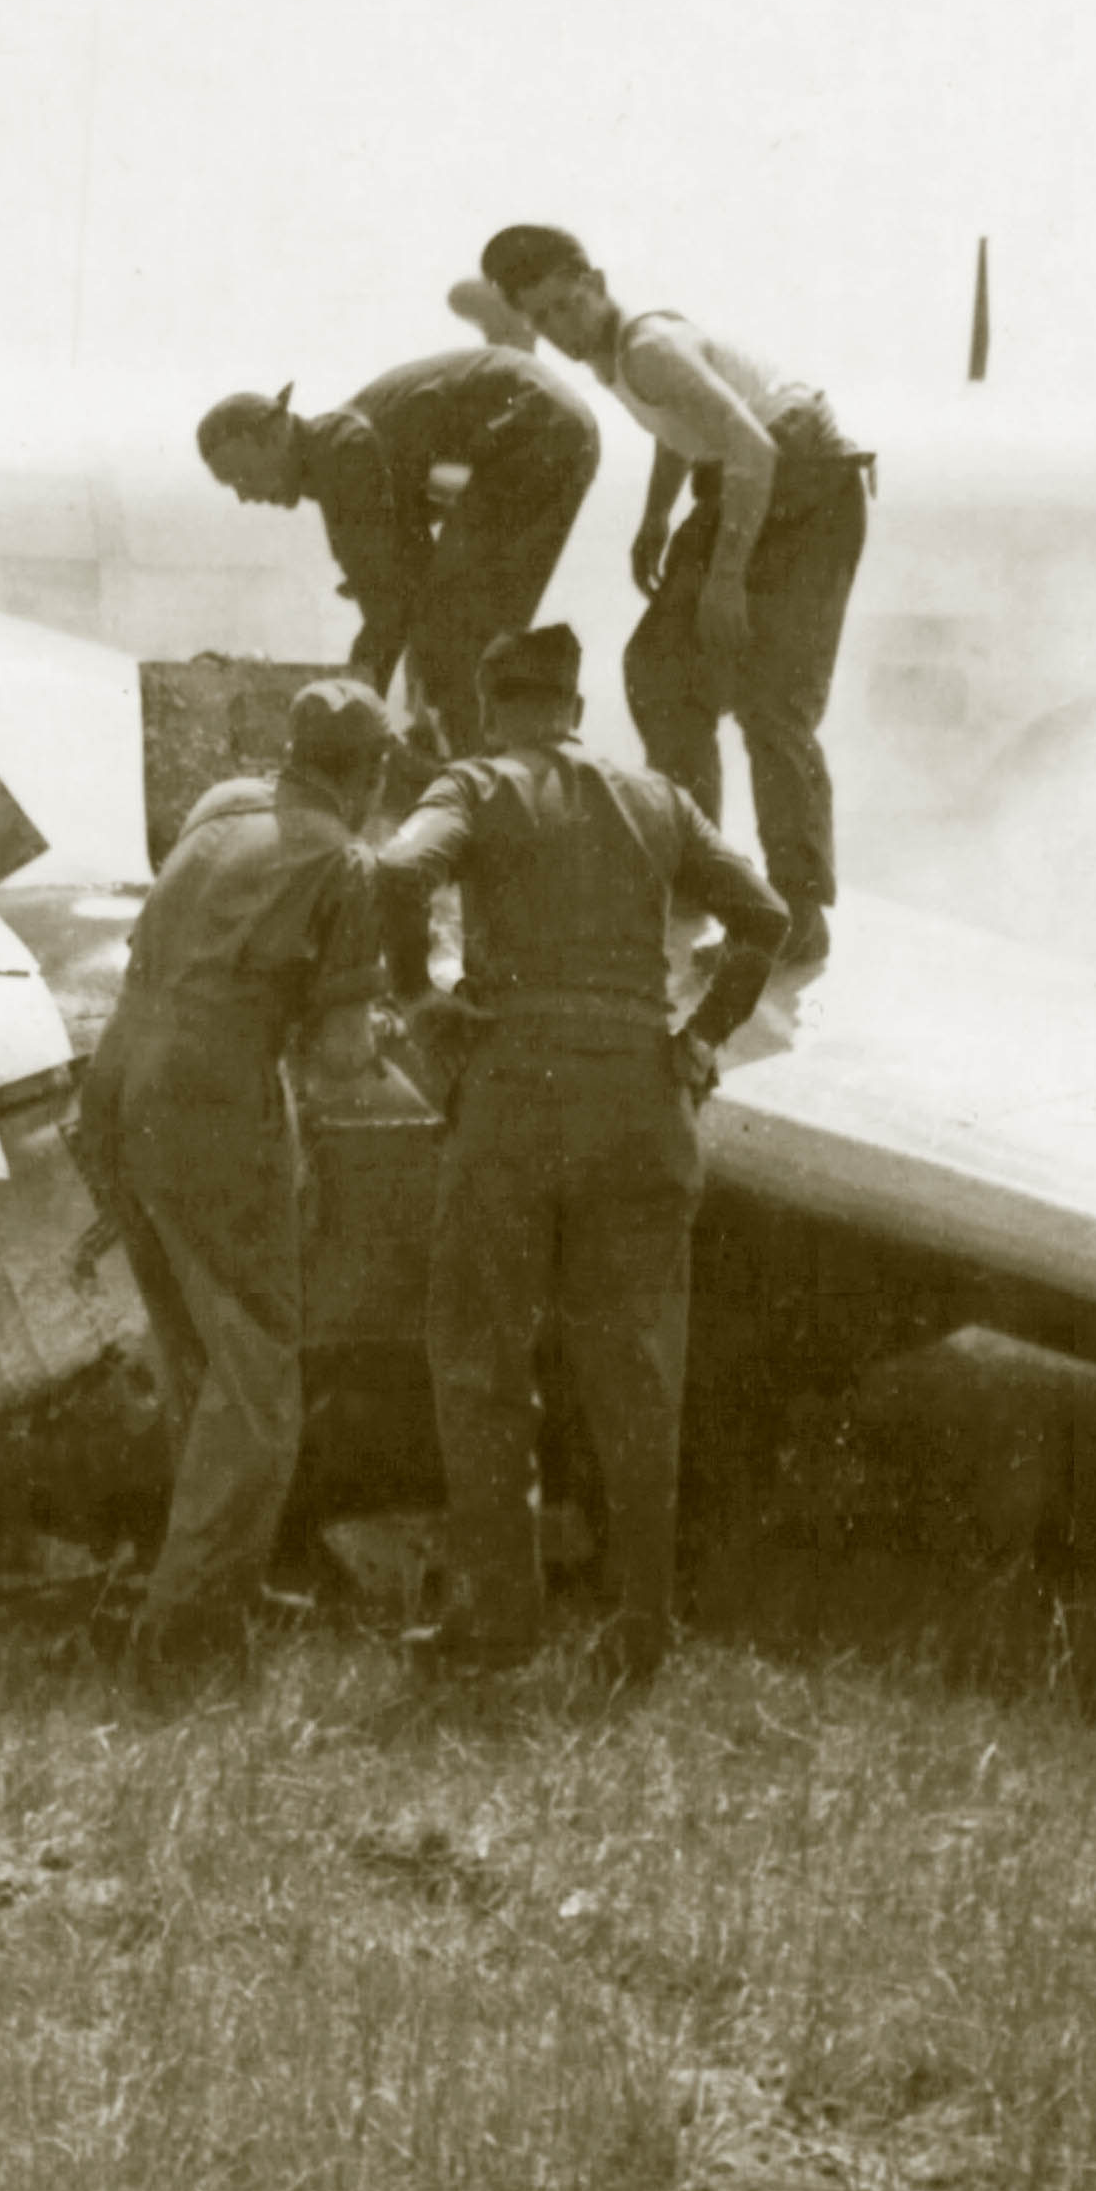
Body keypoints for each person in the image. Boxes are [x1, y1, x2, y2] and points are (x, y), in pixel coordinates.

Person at [371, 622, 788, 1683]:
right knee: (640, 1371)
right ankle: (641, 1626)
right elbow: (765, 914)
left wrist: (419, 995)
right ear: (576, 709)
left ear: (487, 704)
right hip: (642, 1099)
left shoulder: (474, 782)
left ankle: (499, 1621)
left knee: (482, 1357)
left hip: (516, 1093)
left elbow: (397, 869)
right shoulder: (656, 797)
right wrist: (697, 1039)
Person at [74, 678, 390, 1676]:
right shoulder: (344, 861)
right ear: (372, 771)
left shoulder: (220, 805)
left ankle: (209, 1580)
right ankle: (186, 1630)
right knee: (257, 1383)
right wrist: (410, 1019)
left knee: (198, 1364)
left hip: (119, 1082)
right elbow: (341, 1055)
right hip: (209, 1096)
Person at [476, 223, 868, 970]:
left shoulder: (649, 346)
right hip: (746, 479)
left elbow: (754, 446)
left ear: (594, 281)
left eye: (566, 304)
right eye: (541, 317)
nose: (559, 329)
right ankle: (697, 876)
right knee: (660, 669)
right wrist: (658, 512)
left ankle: (796, 915)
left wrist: (724, 579)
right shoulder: (618, 355)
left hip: (806, 482)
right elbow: (684, 425)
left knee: (769, 699)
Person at [196, 348, 601, 759]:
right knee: (449, 636)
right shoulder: (340, 447)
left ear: (274, 436)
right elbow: (410, 582)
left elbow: (388, 616)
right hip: (544, 428)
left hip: (538, 432)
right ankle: (472, 764)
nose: (244, 496)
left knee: (451, 640)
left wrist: (343, 718)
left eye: (240, 476)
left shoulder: (341, 457)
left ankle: (477, 781)